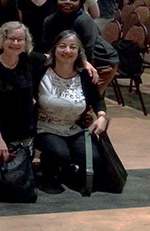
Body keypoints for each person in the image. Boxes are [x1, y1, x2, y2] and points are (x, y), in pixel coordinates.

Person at [35, 30, 108, 194]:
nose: (67, 51)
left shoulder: (84, 75)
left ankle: (69, 173)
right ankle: (50, 172)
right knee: (61, 154)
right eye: (62, 46)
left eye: (72, 47)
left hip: (74, 128)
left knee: (94, 160)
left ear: (79, 52)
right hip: (45, 127)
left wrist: (102, 116)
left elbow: (97, 99)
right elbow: (24, 54)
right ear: (54, 49)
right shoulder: (41, 69)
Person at [0, 22, 42, 164]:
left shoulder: (30, 61)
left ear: (26, 42)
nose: (15, 43)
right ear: (2, 40)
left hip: (24, 133)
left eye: (20, 39)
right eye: (11, 38)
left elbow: (59, 57)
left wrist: (85, 63)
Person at [41, 0, 118, 95]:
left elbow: (88, 51)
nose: (67, 2)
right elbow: (47, 46)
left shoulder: (83, 20)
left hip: (101, 62)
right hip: (73, 59)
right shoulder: (50, 20)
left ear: (80, 2)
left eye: (73, 0)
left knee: (86, 100)